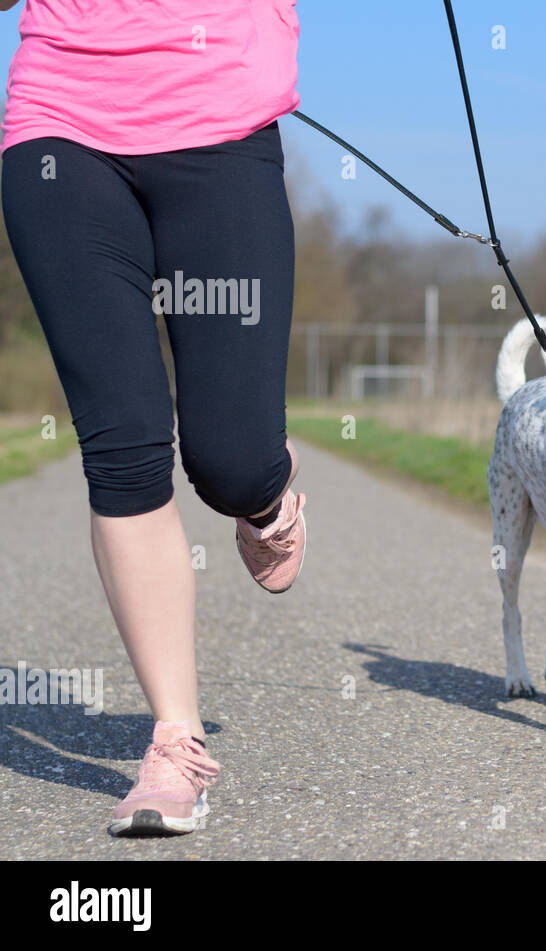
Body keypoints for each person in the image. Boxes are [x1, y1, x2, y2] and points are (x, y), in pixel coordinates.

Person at [1, 0, 306, 836]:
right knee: (124, 446)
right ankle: (175, 741)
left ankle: (265, 492)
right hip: (58, 129)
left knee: (231, 459)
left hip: (221, 125)